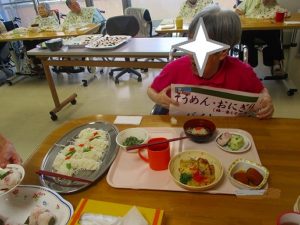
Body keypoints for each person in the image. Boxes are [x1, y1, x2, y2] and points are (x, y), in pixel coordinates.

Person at [147, 4, 274, 119]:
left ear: (222, 53)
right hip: (182, 132)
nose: (191, 55)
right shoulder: (176, 68)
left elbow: (261, 92)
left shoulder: (242, 72)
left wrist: (266, 101)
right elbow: (151, 90)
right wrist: (158, 99)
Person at [236, 0, 287, 76]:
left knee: (274, 32)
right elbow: (237, 11)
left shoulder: (273, 2)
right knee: (246, 35)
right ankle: (249, 64)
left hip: (265, 29)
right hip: (250, 28)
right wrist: (244, 17)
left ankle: (276, 62)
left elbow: (280, 11)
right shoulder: (249, 1)